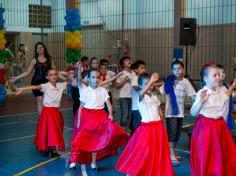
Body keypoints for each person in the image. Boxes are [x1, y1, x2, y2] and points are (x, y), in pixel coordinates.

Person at [69, 68, 129, 176]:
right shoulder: (85, 90)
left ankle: (93, 162)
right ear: (88, 79)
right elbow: (81, 107)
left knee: (96, 140)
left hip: (99, 116)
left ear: (100, 78)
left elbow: (109, 105)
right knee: (78, 138)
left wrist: (110, 114)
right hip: (86, 116)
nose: (95, 79)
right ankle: (73, 160)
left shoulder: (103, 90)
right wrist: (78, 121)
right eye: (93, 77)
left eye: (97, 77)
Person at [115, 73, 174, 176]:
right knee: (142, 151)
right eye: (146, 84)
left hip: (158, 127)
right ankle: (132, 170)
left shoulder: (154, 98)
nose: (150, 86)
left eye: (151, 84)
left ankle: (153, 171)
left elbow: (159, 110)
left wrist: (162, 119)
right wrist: (151, 81)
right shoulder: (140, 96)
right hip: (147, 128)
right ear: (140, 86)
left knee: (156, 152)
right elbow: (142, 92)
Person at [190, 63, 236, 176]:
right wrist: (201, 100)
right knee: (207, 155)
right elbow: (193, 112)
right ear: (205, 78)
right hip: (206, 127)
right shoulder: (203, 92)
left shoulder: (220, 90)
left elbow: (226, 96)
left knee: (221, 155)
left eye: (219, 74)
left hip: (219, 126)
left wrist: (233, 85)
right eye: (215, 75)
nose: (218, 77)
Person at [15, 68, 68, 157]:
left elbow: (70, 80)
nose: (53, 76)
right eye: (51, 75)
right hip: (47, 112)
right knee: (49, 131)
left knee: (56, 131)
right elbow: (35, 87)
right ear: (47, 77)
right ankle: (51, 149)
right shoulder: (46, 86)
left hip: (56, 112)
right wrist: (23, 88)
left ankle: (53, 148)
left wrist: (62, 74)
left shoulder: (60, 85)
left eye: (55, 74)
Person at [159, 59, 196, 165]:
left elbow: (192, 95)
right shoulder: (169, 81)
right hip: (170, 112)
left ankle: (171, 152)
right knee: (172, 133)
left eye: (179, 68)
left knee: (177, 134)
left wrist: (199, 100)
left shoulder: (186, 82)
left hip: (180, 112)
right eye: (174, 69)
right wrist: (153, 84)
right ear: (172, 70)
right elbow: (160, 91)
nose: (177, 70)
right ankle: (171, 154)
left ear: (183, 70)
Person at [9, 42, 55, 113]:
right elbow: (27, 72)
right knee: (40, 101)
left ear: (44, 48)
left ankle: (47, 117)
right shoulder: (34, 60)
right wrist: (16, 78)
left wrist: (59, 76)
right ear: (36, 50)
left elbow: (54, 70)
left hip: (47, 83)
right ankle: (41, 120)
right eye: (37, 48)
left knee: (47, 102)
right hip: (36, 82)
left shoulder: (50, 59)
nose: (39, 49)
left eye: (41, 47)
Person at [129, 60, 147, 136]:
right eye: (141, 68)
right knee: (137, 123)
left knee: (141, 122)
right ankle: (132, 139)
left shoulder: (144, 79)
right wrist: (147, 86)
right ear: (136, 70)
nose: (144, 70)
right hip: (136, 106)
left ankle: (137, 138)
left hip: (143, 106)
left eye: (145, 68)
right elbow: (136, 88)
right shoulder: (135, 78)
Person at [115, 56, 133, 127]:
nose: (129, 61)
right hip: (123, 97)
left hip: (133, 97)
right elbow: (116, 86)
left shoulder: (134, 73)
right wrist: (124, 81)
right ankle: (122, 131)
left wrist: (130, 80)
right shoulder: (121, 73)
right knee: (124, 115)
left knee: (130, 115)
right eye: (126, 60)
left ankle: (129, 131)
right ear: (123, 64)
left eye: (129, 60)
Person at [216, 64, 235, 129]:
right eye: (219, 72)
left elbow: (233, 95)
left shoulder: (227, 87)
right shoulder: (212, 88)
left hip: (226, 120)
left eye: (223, 72)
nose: (221, 74)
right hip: (215, 120)